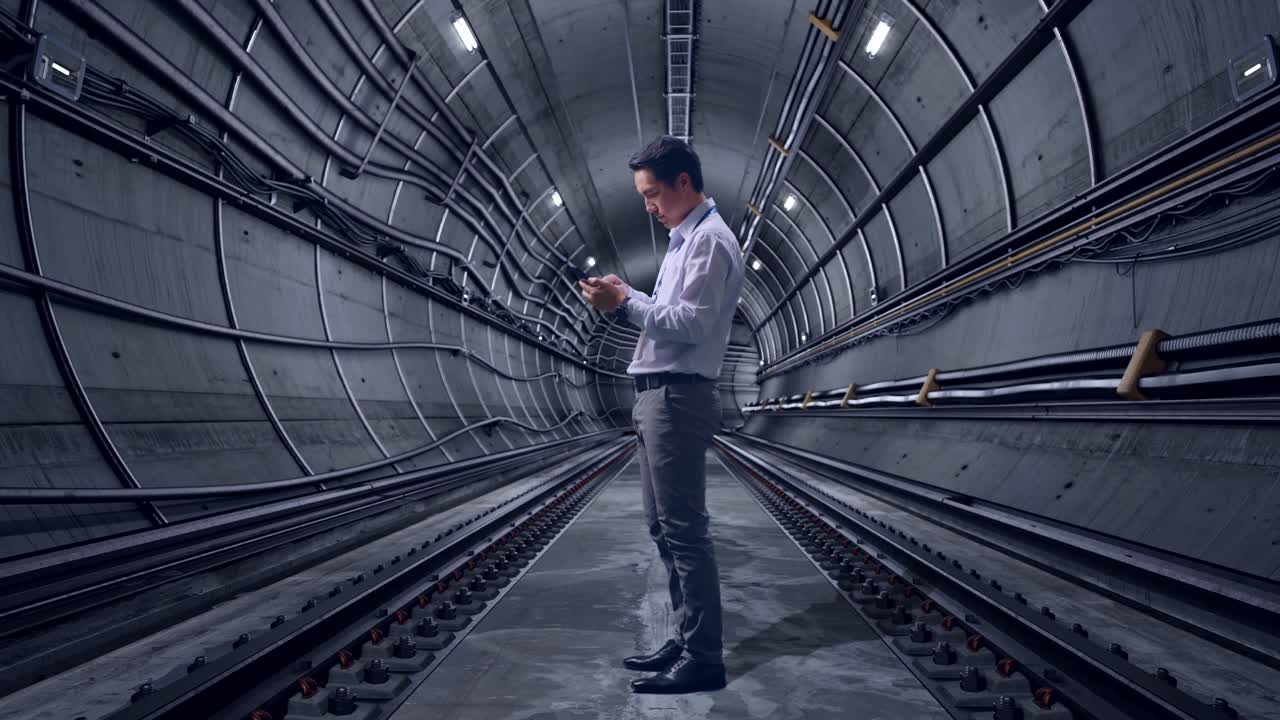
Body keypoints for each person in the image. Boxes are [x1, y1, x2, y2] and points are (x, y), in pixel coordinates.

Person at [579, 135, 745, 694]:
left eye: (652, 194)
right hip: (656, 395)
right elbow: (672, 310)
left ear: (683, 183)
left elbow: (690, 324)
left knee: (685, 532)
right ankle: (685, 636)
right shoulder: (682, 241)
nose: (647, 206)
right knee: (663, 528)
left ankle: (704, 659)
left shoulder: (710, 243)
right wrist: (629, 292)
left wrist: (623, 304)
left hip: (677, 397)